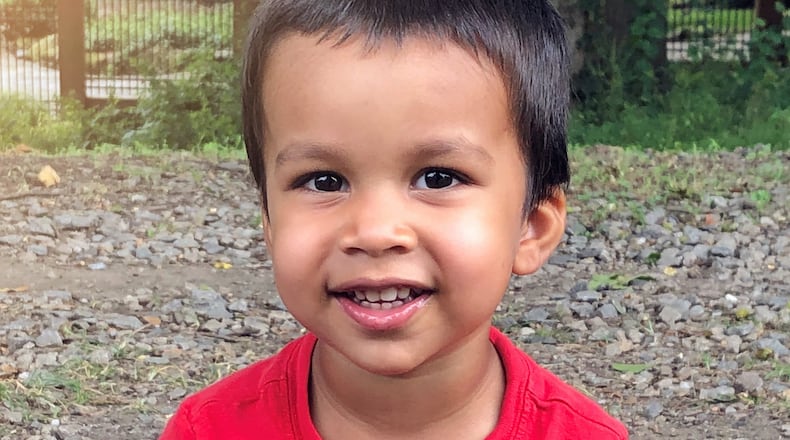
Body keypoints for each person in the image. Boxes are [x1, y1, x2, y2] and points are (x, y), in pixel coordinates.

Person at [160, 1, 628, 439]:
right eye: (324, 181)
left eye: (438, 177)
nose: (375, 232)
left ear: (533, 226)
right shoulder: (209, 430)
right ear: (268, 221)